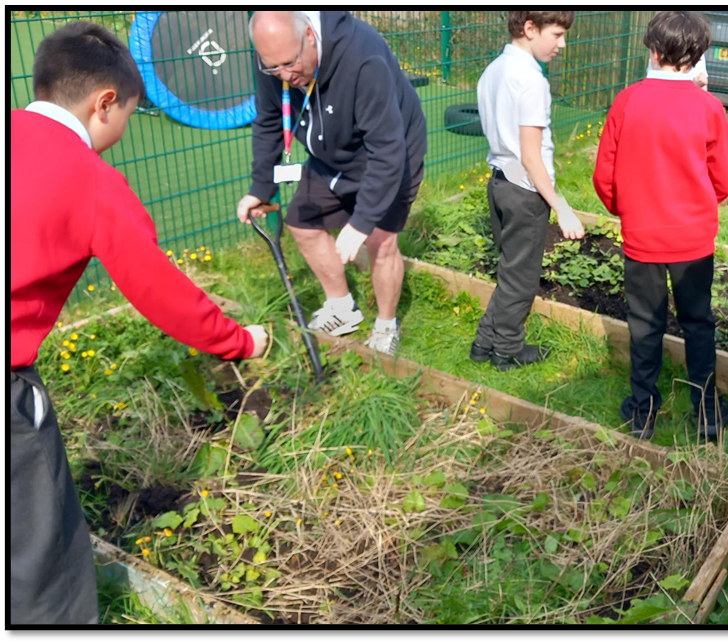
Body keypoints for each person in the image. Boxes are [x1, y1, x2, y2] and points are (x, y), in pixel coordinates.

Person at [11, 21, 268, 623]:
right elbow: (161, 293)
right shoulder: (91, 181)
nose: (123, 130)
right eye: (127, 112)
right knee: (41, 549)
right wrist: (239, 341)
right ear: (105, 102)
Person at [238, 11, 427, 355]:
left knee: (380, 242)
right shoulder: (275, 55)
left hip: (392, 149)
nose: (283, 75)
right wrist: (260, 187)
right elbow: (268, 120)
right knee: (303, 224)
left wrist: (362, 221)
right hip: (331, 151)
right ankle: (342, 309)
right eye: (272, 67)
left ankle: (386, 325)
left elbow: (387, 148)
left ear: (310, 36)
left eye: (289, 64)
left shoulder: (362, 56)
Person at [594, 11, 728, 439]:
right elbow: (726, 179)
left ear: (653, 51)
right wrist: (697, 203)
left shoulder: (627, 101)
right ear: (698, 56)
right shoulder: (710, 108)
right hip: (693, 238)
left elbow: (605, 176)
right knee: (698, 322)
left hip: (642, 236)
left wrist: (631, 208)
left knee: (645, 324)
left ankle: (642, 412)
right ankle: (708, 413)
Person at [468, 11, 585, 371]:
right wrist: (562, 208)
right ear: (530, 29)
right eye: (557, 34)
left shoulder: (494, 70)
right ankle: (507, 351)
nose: (562, 44)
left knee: (510, 271)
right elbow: (531, 157)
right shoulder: (532, 81)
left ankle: (483, 343)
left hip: (500, 182)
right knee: (521, 281)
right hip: (524, 190)